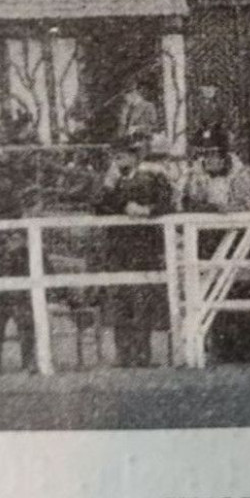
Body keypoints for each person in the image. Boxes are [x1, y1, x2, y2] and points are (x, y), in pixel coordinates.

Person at [178, 133, 250, 361]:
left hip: (242, 241)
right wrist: (212, 210)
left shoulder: (245, 174)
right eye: (207, 154)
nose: (211, 159)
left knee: (247, 287)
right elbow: (183, 205)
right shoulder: (193, 176)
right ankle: (221, 346)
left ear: (224, 155)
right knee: (213, 291)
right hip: (210, 242)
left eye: (216, 154)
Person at [94, 142, 173, 367]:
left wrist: (146, 211)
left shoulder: (151, 177)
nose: (119, 161)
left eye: (123, 156)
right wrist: (110, 187)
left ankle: (141, 354)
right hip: (118, 248)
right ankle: (124, 354)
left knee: (141, 301)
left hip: (143, 246)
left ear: (134, 157)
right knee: (120, 301)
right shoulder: (112, 182)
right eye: (116, 156)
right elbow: (98, 208)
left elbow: (167, 203)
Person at [117, 81, 161, 145]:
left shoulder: (148, 106)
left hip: (144, 143)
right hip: (129, 144)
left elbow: (154, 127)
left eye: (125, 96)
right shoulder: (127, 109)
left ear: (133, 94)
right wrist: (123, 117)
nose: (125, 99)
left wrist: (137, 128)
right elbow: (120, 133)